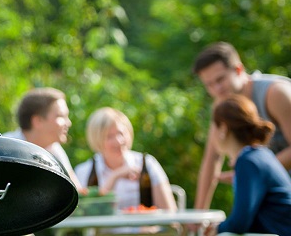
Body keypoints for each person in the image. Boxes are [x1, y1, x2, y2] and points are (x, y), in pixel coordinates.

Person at [192, 41, 291, 210]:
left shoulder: (276, 93)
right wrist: (199, 214)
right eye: (209, 84)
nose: (216, 89)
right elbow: (212, 159)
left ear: (238, 69)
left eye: (220, 79)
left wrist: (252, 172)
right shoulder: (222, 105)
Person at [203, 95, 291, 235]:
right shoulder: (258, 155)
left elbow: (239, 224)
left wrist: (217, 228)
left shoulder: (248, 161)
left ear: (223, 129)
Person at [74, 107, 177, 212]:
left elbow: (170, 213)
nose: (118, 141)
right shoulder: (84, 171)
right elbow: (86, 214)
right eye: (109, 136)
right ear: (97, 139)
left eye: (121, 133)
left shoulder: (147, 163)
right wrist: (115, 176)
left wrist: (152, 228)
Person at [3, 87, 83, 190]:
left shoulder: (55, 150)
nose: (68, 123)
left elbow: (77, 191)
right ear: (38, 121)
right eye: (60, 116)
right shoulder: (6, 149)